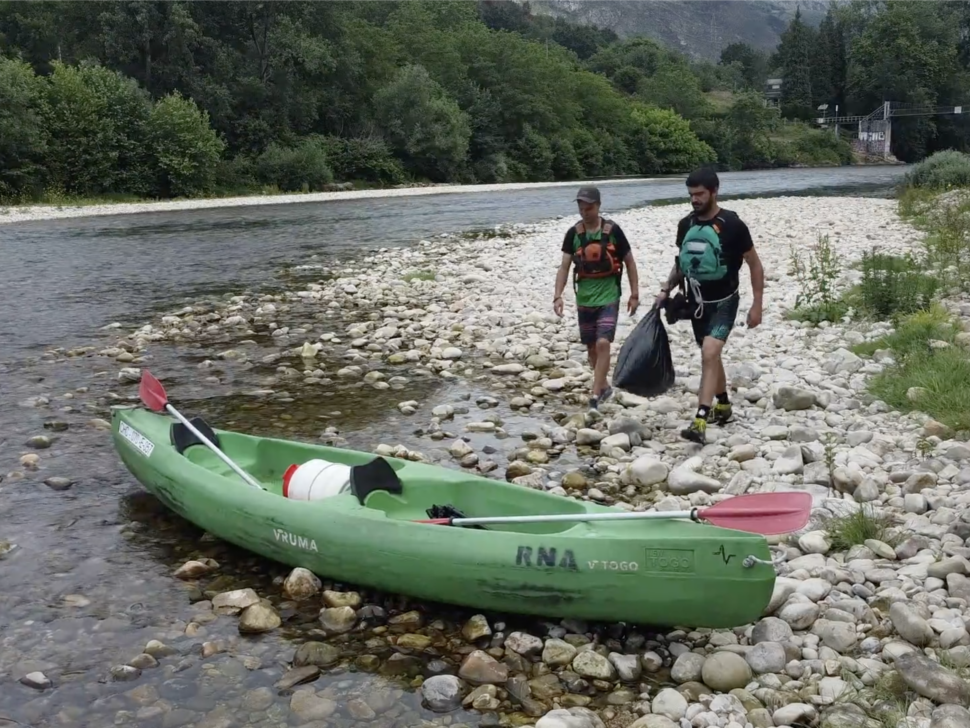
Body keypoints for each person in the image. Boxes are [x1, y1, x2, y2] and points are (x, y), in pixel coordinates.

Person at [654, 168, 764, 445]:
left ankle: (700, 419)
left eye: (700, 194)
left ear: (714, 191)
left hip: (726, 301)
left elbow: (754, 263)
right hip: (696, 303)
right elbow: (681, 264)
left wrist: (757, 304)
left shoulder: (733, 225)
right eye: (691, 194)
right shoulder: (686, 225)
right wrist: (666, 289)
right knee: (710, 356)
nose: (694, 199)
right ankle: (724, 405)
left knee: (709, 351)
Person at [553, 186, 640, 410]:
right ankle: (604, 386)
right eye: (581, 207)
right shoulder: (573, 234)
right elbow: (564, 267)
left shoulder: (613, 231)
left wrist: (634, 293)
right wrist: (558, 296)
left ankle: (595, 394)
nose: (585, 211)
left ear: (598, 206)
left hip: (609, 296)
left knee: (603, 343)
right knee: (591, 347)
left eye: (589, 207)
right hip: (585, 299)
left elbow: (629, 262)